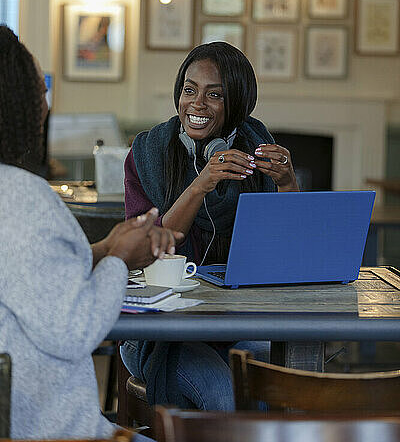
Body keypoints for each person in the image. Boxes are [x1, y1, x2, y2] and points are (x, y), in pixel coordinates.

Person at [0, 25, 183, 439]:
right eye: (38, 88)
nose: (45, 102)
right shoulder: (19, 196)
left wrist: (103, 249)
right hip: (54, 431)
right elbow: (75, 328)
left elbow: (28, 278)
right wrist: (120, 260)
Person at [121, 41, 299, 410]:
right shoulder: (147, 153)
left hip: (235, 324)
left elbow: (289, 250)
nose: (197, 105)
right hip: (158, 335)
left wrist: (285, 182)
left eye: (214, 95)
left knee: (290, 381)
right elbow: (145, 251)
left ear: (237, 104)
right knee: (222, 393)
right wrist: (201, 183)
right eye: (189, 90)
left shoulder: (257, 146)